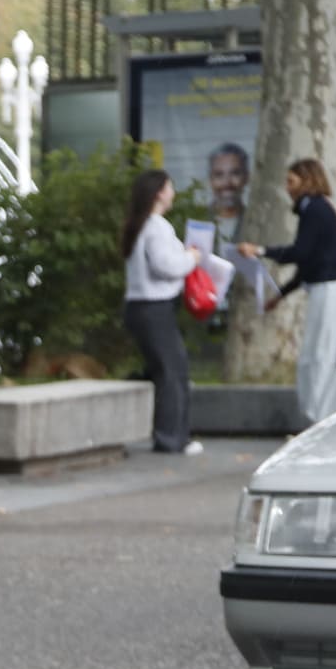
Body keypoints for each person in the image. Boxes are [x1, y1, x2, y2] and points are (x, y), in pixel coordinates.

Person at [237, 156, 336, 425]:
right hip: (325, 289)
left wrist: (260, 250)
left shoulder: (315, 208)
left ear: (307, 180)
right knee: (311, 361)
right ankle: (317, 419)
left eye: (291, 181)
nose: (287, 187)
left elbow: (300, 253)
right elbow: (308, 262)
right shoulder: (314, 210)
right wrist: (280, 295)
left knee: (325, 360)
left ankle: (324, 424)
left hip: (332, 290)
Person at [120, 169, 201, 456]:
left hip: (139, 307)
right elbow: (166, 265)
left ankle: (172, 435)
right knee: (172, 371)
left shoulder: (140, 225)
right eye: (170, 188)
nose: (173, 193)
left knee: (164, 369)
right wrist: (191, 258)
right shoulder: (157, 227)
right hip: (155, 307)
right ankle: (171, 438)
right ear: (158, 193)